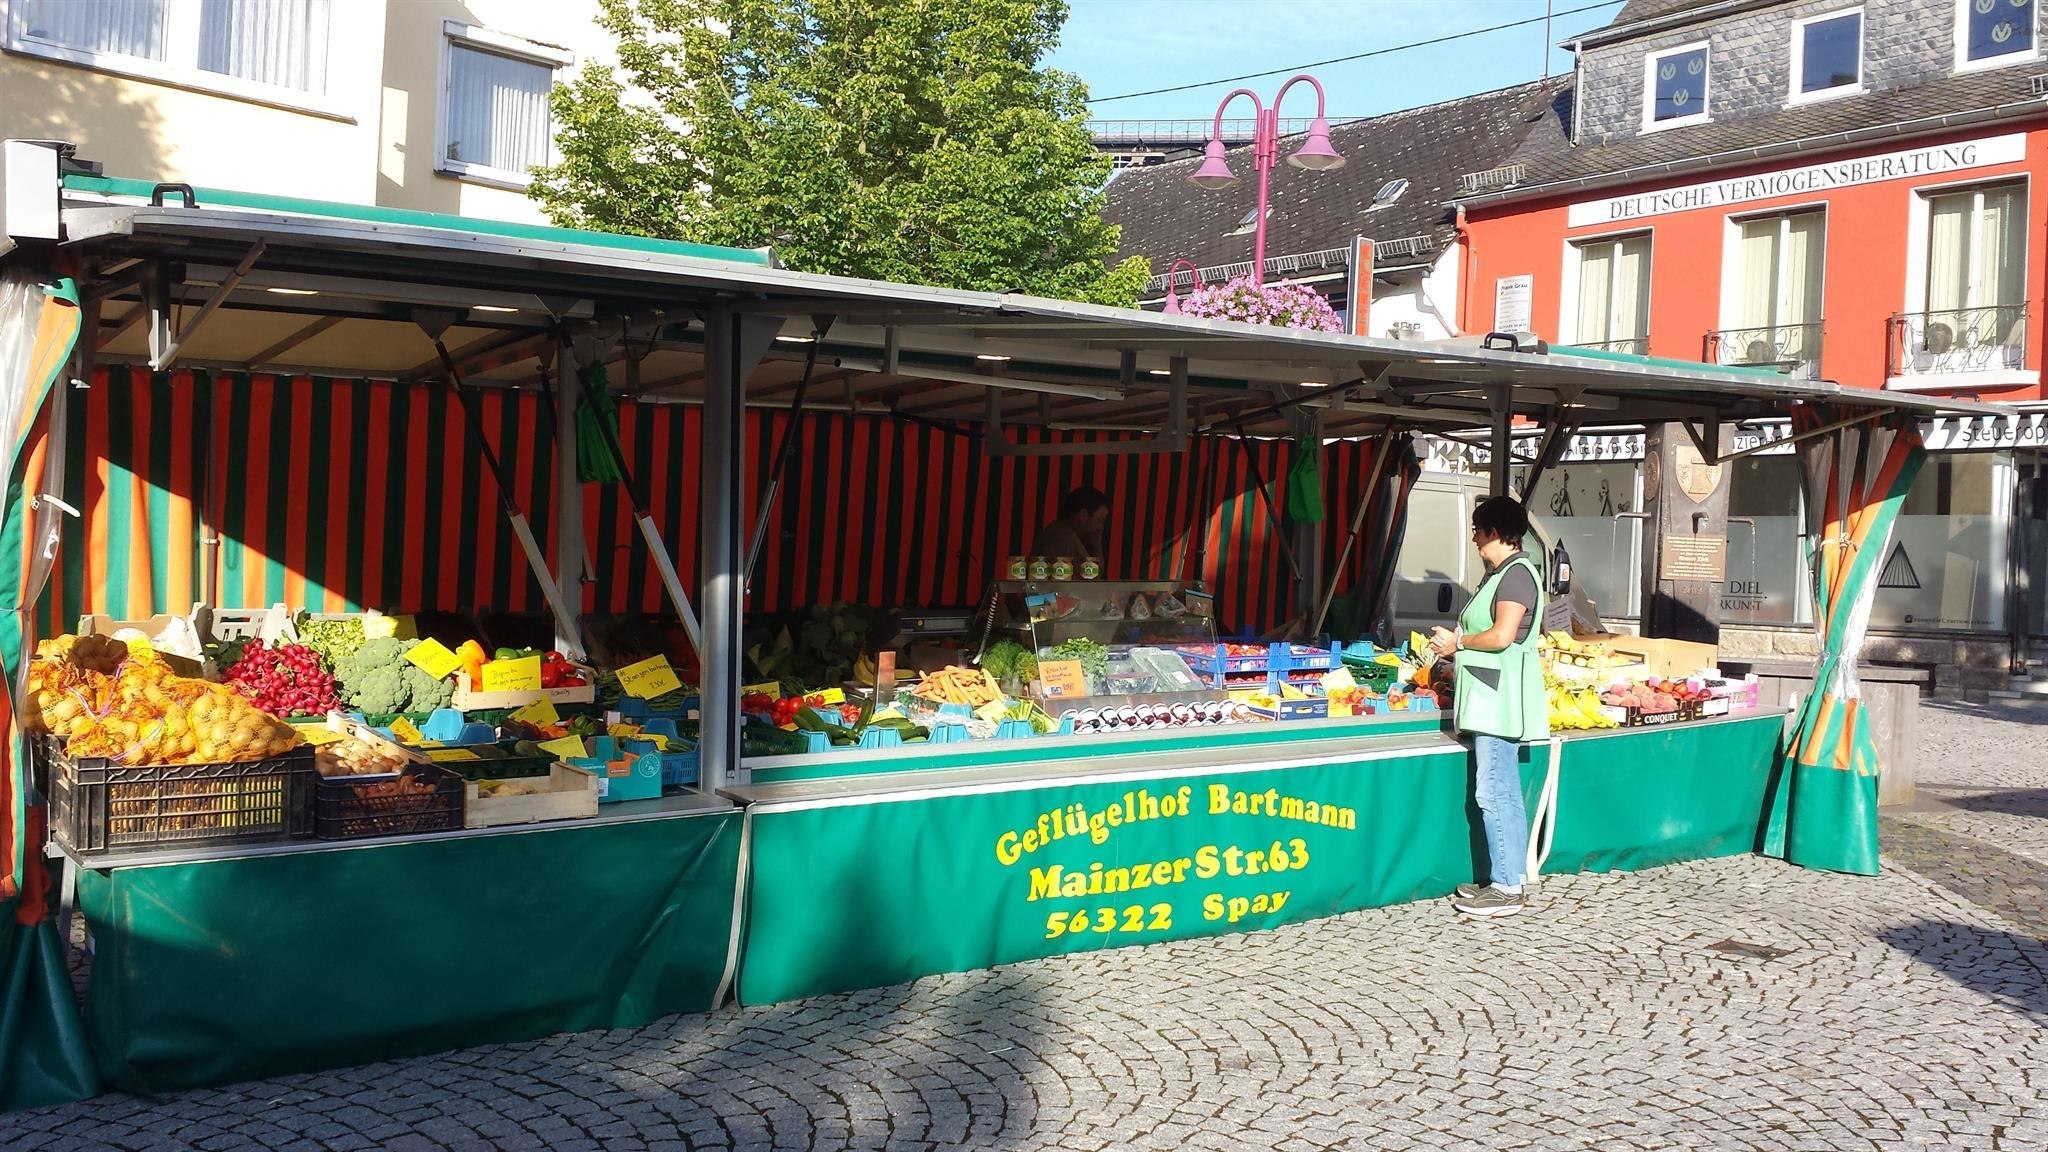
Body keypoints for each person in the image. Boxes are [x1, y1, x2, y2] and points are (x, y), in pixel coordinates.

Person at [1429, 495, 1547, 919]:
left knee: (1493, 791)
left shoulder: (1515, 576)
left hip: (1498, 702)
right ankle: (1509, 876)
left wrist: (1457, 643)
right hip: (1490, 697)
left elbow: (1501, 636)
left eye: (1478, 531)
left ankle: (1505, 888)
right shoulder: (1502, 575)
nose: (1475, 539)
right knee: (1504, 792)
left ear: (1495, 532)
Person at [1033, 486, 1110, 561]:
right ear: (1083, 515)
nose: (1101, 527)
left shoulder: (1058, 533)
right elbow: (1093, 569)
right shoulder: (1064, 539)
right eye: (1100, 520)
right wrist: (1096, 547)